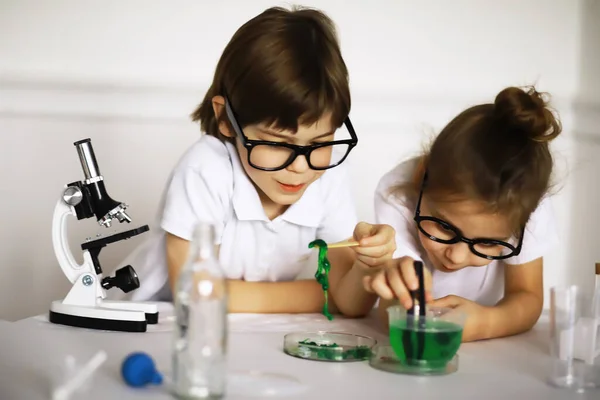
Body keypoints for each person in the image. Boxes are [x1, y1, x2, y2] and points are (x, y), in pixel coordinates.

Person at [113, 6, 394, 317]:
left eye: (320, 142)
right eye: (276, 142)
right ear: (225, 119)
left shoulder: (329, 173)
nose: (300, 166)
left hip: (245, 334)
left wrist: (370, 265)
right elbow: (197, 295)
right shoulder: (205, 170)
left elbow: (349, 303)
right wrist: (321, 294)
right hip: (153, 326)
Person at [364, 86, 562, 341]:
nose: (455, 256)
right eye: (445, 227)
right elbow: (389, 306)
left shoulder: (527, 205)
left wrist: (486, 323)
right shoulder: (397, 193)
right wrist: (402, 301)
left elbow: (528, 297)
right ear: (420, 178)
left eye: (488, 242)